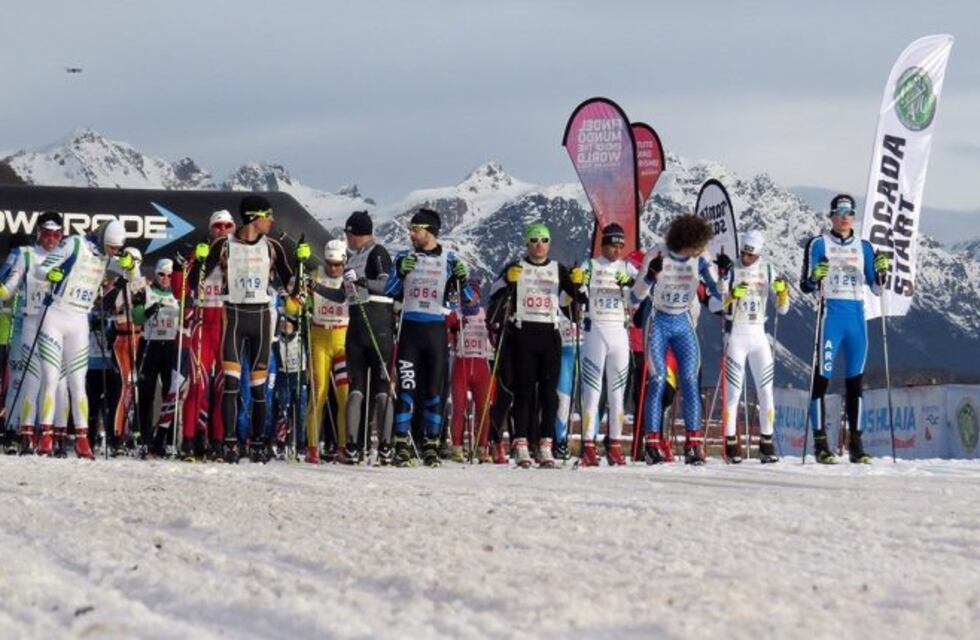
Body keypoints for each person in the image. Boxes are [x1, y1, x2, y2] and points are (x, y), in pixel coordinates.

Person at [201, 195, 299, 463]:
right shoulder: (224, 244)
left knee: (258, 388)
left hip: (261, 318)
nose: (272, 220)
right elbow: (196, 282)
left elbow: (293, 287)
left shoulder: (273, 246)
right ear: (255, 216)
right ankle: (230, 442)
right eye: (268, 215)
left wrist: (300, 266)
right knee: (231, 384)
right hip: (232, 315)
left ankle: (257, 441)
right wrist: (199, 261)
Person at [800, 194, 889, 464]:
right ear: (831, 216)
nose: (844, 216)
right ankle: (820, 444)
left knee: (855, 383)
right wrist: (815, 277)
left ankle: (857, 445)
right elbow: (805, 285)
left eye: (849, 212)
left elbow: (876, 287)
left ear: (854, 216)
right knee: (822, 379)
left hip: (856, 319)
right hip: (831, 318)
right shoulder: (818, 244)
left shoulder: (864, 247)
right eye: (839, 212)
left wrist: (883, 273)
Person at [33, 219, 133, 459]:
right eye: (111, 247)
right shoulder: (75, 244)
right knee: (51, 376)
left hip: (79, 321)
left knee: (78, 382)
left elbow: (132, 276)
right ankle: (45, 436)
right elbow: (40, 269)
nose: (114, 252)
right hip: (54, 315)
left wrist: (130, 265)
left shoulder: (110, 257)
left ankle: (82, 440)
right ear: (101, 239)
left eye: (117, 249)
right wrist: (51, 273)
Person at [489, 221, 586, 468]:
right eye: (534, 240)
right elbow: (494, 292)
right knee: (524, 392)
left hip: (549, 334)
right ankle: (521, 443)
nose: (539, 245)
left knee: (549, 395)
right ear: (527, 243)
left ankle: (546, 444)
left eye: (543, 240)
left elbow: (579, 299)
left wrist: (579, 281)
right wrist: (508, 281)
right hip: (523, 333)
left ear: (549, 243)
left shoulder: (558, 269)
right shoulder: (516, 266)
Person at [630, 213, 722, 465]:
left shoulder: (700, 260)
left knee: (690, 380)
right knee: (657, 380)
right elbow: (634, 299)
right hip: (658, 321)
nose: (702, 250)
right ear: (686, 242)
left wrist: (722, 275)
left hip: (683, 322)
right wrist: (649, 276)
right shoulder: (658, 254)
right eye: (699, 245)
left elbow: (720, 297)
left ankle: (693, 444)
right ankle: (652, 443)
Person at [385, 208, 471, 467]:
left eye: (416, 229)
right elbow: (390, 290)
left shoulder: (449, 258)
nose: (411, 234)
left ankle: (431, 444)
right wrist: (400, 272)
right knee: (406, 389)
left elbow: (467, 301)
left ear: (430, 231)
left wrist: (462, 279)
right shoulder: (404, 255)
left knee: (435, 391)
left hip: (435, 330)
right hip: (410, 329)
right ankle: (402, 443)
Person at [0, 212, 69, 454]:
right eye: (47, 233)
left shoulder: (67, 256)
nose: (51, 239)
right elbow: (8, 287)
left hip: (57, 326)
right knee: (22, 380)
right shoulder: (25, 254)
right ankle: (13, 431)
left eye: (57, 234)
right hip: (28, 324)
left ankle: (52, 434)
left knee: (57, 383)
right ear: (39, 232)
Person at [720, 230, 789, 464]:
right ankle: (731, 444)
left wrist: (782, 293)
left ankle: (766, 444)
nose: (746, 258)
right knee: (733, 393)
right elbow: (719, 304)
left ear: (759, 253)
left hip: (759, 335)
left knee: (765, 391)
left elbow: (783, 310)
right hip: (737, 334)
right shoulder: (732, 269)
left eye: (751, 254)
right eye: (744, 253)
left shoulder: (768, 269)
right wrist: (731, 295)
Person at [576, 223, 636, 466]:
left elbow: (642, 290)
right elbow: (576, 292)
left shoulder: (626, 267)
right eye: (613, 245)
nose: (617, 250)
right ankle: (588, 446)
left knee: (617, 393)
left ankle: (614, 445)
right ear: (604, 244)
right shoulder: (590, 264)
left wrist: (631, 283)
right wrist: (579, 285)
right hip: (595, 331)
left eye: (621, 245)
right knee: (592, 391)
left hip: (619, 333)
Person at [179, 210, 236, 459]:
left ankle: (218, 440)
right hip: (203, 323)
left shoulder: (238, 256)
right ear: (211, 229)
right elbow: (184, 285)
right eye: (218, 226)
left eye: (227, 226)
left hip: (225, 326)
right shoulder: (200, 252)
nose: (223, 230)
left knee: (223, 388)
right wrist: (198, 261)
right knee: (197, 385)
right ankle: (189, 439)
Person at [341, 210, 395, 464]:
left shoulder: (378, 252)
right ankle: (352, 445)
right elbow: (343, 295)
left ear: (353, 233)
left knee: (382, 388)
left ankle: (385, 445)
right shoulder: (352, 259)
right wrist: (314, 288)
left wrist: (361, 280)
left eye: (347, 234)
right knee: (356, 387)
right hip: (356, 325)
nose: (346, 239)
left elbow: (387, 286)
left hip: (379, 323)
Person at [303, 239, 350, 463]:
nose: (333, 268)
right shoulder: (314, 276)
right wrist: (299, 294)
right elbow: (293, 304)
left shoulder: (350, 278)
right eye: (329, 263)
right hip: (320, 337)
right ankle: (312, 448)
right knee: (319, 392)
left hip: (342, 340)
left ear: (345, 261)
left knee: (344, 397)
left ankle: (343, 447)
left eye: (337, 264)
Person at [134, 258, 180, 456]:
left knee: (171, 394)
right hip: (150, 344)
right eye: (162, 274)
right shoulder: (146, 291)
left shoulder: (178, 293)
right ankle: (144, 438)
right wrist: (148, 312)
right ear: (156, 274)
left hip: (170, 347)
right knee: (146, 394)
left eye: (169, 276)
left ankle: (167, 439)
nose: (165, 279)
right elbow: (136, 317)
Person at [103, 247, 146, 452]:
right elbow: (106, 304)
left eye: (136, 262)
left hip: (138, 339)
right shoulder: (117, 283)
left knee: (135, 388)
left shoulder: (139, 283)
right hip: (121, 340)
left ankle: (134, 433)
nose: (133, 265)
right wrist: (121, 286)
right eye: (131, 261)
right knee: (122, 388)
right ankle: (116, 436)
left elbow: (141, 315)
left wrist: (140, 302)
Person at [447, 279, 494, 462]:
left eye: (473, 294)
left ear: (478, 296)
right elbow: (447, 329)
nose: (469, 298)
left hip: (481, 363)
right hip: (462, 363)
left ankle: (482, 447)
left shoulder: (485, 314)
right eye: (466, 295)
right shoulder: (457, 315)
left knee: (483, 409)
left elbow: (494, 332)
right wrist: (453, 324)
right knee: (459, 407)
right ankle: (457, 446)